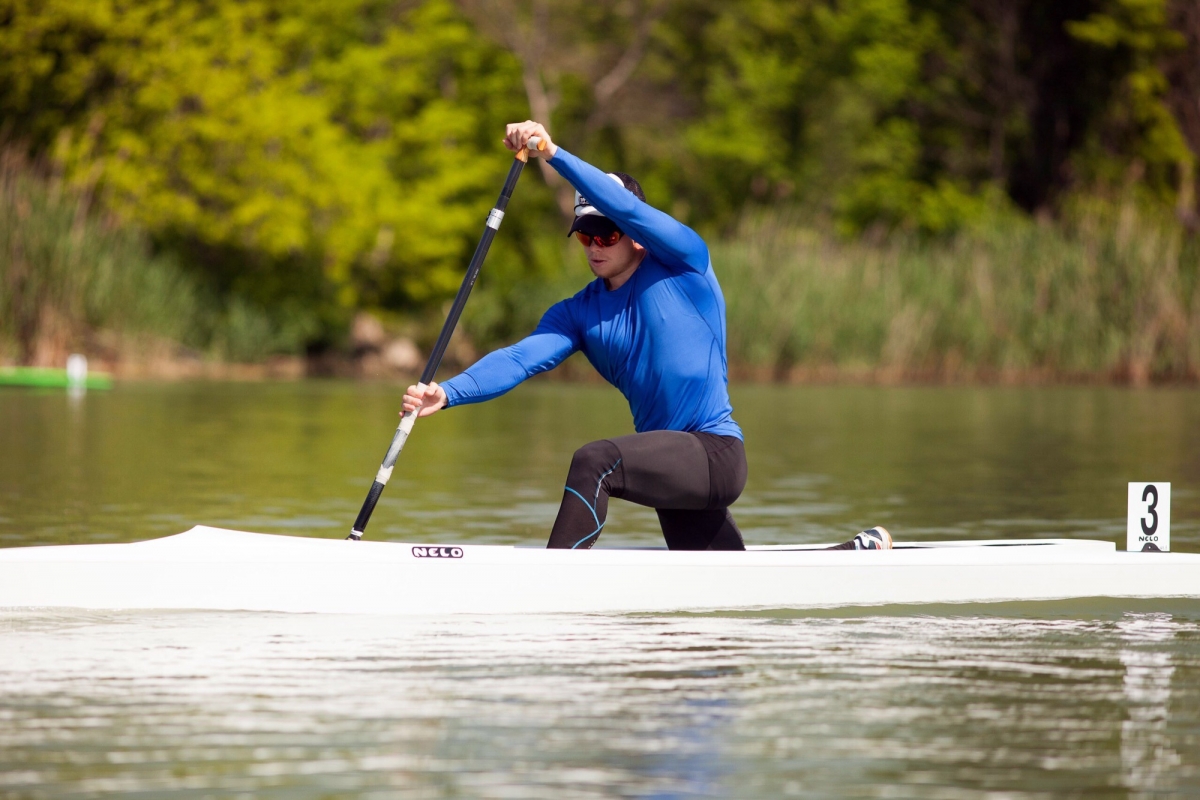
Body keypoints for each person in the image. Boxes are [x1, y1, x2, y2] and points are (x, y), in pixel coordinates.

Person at [403, 120, 892, 552]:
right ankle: (853, 556)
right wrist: (448, 393)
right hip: (669, 463)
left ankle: (555, 585)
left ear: (636, 232)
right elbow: (519, 358)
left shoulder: (685, 261)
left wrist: (552, 153)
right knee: (720, 585)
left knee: (594, 461)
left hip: (714, 453)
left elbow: (628, 208)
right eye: (585, 235)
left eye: (607, 234)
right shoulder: (579, 312)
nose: (595, 246)